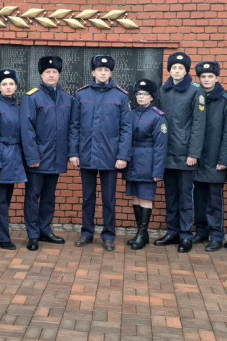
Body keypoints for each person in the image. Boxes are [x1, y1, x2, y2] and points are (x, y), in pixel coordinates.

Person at [69, 55, 132, 252]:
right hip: (86, 154)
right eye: (99, 70)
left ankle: (108, 235)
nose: (103, 73)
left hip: (110, 157)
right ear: (93, 72)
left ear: (111, 72)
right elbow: (74, 126)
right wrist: (73, 152)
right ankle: (86, 233)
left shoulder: (121, 96)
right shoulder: (81, 95)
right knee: (88, 198)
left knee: (109, 199)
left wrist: (122, 156)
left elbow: (126, 129)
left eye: (106, 70)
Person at [155, 52, 205, 254]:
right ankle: (172, 231)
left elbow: (198, 125)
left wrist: (193, 153)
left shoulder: (195, 91)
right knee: (171, 195)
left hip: (185, 154)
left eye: (181, 68)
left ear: (186, 71)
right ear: (169, 70)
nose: (177, 71)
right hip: (167, 152)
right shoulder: (163, 90)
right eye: (174, 68)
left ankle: (185, 235)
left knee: (185, 197)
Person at [20, 55, 72, 251]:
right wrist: (32, 157)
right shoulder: (32, 97)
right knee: (33, 197)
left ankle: (45, 230)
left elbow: (71, 127)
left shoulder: (67, 98)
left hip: (56, 157)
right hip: (38, 158)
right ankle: (33, 234)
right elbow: (27, 129)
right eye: (47, 72)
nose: (51, 75)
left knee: (49, 197)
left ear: (59, 75)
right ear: (41, 75)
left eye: (55, 72)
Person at [192, 61, 227, 252]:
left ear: (217, 78)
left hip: (215, 157)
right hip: (198, 158)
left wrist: (224, 159)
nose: (207, 80)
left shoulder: (225, 100)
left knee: (214, 200)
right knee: (198, 197)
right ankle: (201, 231)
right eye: (203, 77)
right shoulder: (195, 96)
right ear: (198, 79)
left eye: (210, 76)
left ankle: (216, 234)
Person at [0, 68, 27, 250]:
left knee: (5, 199)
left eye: (11, 84)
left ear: (16, 86)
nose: (8, 87)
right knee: (0, 201)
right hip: (1, 156)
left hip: (14, 157)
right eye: (4, 84)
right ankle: (2, 238)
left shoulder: (17, 106)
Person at [124, 79, 168, 250]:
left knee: (145, 197)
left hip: (148, 161)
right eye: (138, 94)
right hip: (133, 160)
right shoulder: (132, 113)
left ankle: (143, 233)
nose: (141, 97)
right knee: (135, 196)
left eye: (145, 94)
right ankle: (140, 232)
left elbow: (160, 146)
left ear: (151, 97)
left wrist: (157, 170)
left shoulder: (158, 117)